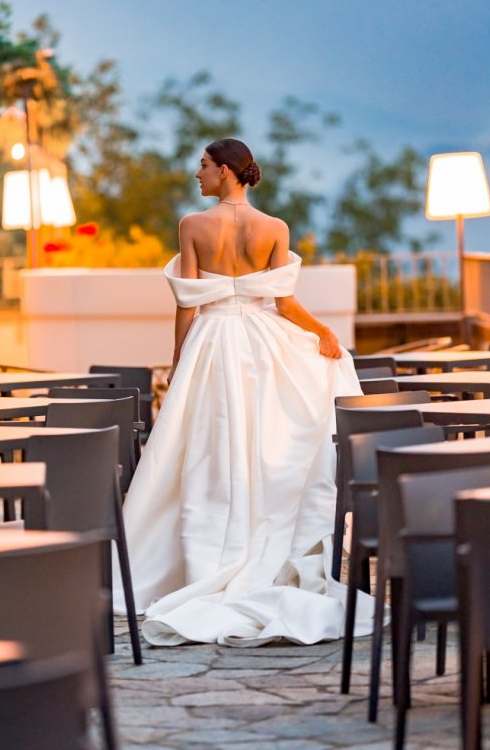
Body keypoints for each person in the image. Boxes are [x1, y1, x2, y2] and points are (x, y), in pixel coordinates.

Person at [112, 138, 374, 646]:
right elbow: (283, 303)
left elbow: (188, 303)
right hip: (260, 344)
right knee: (261, 441)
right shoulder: (273, 228)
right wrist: (322, 331)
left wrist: (179, 356)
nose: (197, 174)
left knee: (207, 446)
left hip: (213, 342)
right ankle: (260, 549)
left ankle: (206, 553)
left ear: (227, 171)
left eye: (205, 165)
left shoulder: (193, 226)